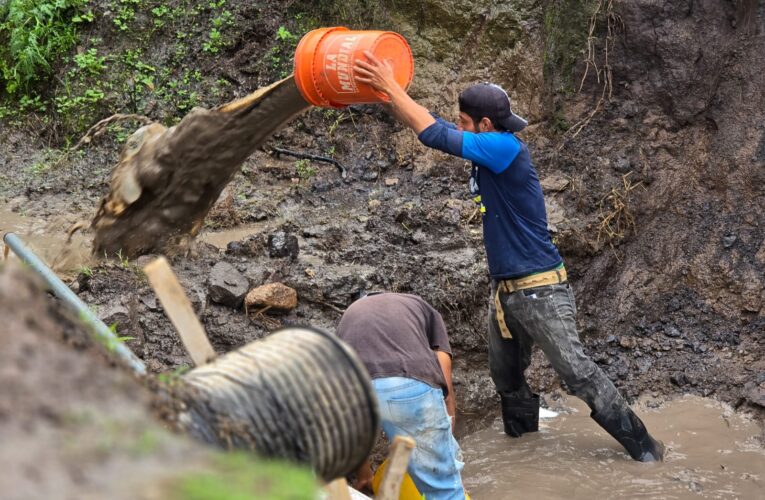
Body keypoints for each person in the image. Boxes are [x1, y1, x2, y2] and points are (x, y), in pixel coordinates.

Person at [354, 53, 664, 462]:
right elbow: (434, 125)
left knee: (578, 373)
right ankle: (524, 450)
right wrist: (386, 93)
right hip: (506, 293)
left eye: (466, 122)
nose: (460, 128)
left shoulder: (504, 148)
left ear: (485, 126)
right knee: (507, 379)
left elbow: (435, 135)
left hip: (541, 290)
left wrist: (392, 87)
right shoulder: (490, 146)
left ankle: (646, 451)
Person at [336, 292, 465, 499]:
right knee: (445, 489)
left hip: (357, 390)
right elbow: (443, 362)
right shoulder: (421, 306)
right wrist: (447, 427)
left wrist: (365, 475)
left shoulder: (350, 316)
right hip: (408, 383)